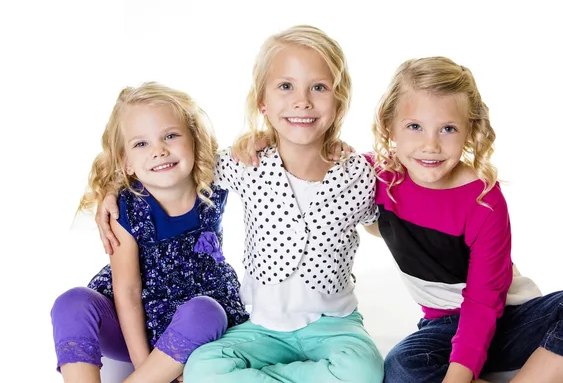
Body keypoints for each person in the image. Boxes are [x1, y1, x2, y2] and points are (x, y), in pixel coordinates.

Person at [97, 25, 384, 383]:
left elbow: (381, 225)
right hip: (262, 329)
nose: (302, 101)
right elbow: (172, 168)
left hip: (335, 325)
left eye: (319, 87)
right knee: (203, 369)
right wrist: (111, 191)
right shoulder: (245, 163)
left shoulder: (359, 174)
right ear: (263, 101)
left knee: (365, 370)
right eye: (285, 86)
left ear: (339, 100)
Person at [366, 56, 563, 382]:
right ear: (389, 124)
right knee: (402, 366)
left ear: (470, 131)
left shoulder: (483, 200)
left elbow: (483, 302)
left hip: (510, 319)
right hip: (444, 327)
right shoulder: (373, 176)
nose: (430, 145)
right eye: (414, 126)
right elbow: (313, 161)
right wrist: (265, 142)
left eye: (448, 129)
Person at [51, 82, 248, 383]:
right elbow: (127, 293)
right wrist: (145, 366)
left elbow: (270, 153)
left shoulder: (215, 185)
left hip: (195, 320)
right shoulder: (124, 209)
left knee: (207, 311)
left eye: (170, 135)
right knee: (71, 303)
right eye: (141, 144)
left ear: (195, 140)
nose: (159, 151)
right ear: (127, 162)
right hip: (135, 321)